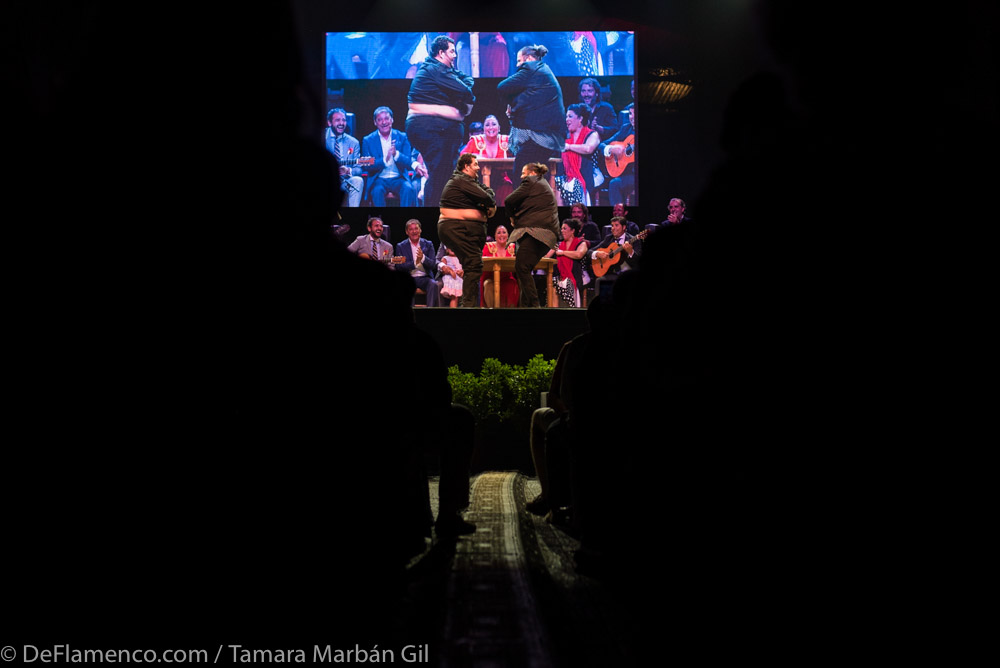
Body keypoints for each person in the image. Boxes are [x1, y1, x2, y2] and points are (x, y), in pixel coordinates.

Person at [407, 35, 477, 208]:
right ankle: (433, 212)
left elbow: (468, 81)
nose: (455, 55)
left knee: (446, 175)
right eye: (452, 52)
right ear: (441, 53)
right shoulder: (435, 69)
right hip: (428, 129)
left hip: (441, 132)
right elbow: (465, 90)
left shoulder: (445, 71)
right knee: (438, 175)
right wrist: (463, 106)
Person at [497, 44, 566, 182]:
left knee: (521, 175)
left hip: (539, 137)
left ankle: (524, 203)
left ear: (528, 58)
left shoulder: (531, 67)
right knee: (535, 177)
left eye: (518, 61)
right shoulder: (543, 71)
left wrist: (511, 105)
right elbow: (531, 99)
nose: (517, 66)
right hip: (547, 137)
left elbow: (502, 87)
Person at [438, 153, 497, 307]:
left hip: (463, 229)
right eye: (475, 164)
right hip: (455, 228)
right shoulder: (460, 180)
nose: (478, 168)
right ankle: (468, 308)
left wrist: (486, 201)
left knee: (472, 266)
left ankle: (469, 305)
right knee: (474, 264)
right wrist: (486, 205)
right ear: (466, 166)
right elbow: (488, 198)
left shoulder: (471, 182)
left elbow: (488, 192)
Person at [505, 162, 560, 307]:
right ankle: (525, 307)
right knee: (524, 269)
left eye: (523, 173)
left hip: (537, 232)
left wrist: (512, 218)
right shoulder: (542, 185)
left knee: (521, 267)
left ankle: (535, 306)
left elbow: (509, 200)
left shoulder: (532, 181)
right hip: (546, 234)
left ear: (532, 173)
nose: (521, 176)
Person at [361, 106, 424, 206]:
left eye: (386, 118)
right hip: (379, 179)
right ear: (375, 122)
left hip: (398, 178)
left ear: (392, 120)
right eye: (380, 120)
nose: (384, 122)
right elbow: (365, 165)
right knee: (377, 191)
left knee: (408, 188)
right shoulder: (368, 140)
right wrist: (384, 160)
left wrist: (396, 154)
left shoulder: (402, 137)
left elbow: (408, 161)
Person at [460, 114, 514, 205]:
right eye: (487, 125)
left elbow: (519, 155)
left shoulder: (506, 141)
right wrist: (477, 156)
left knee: (508, 194)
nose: (490, 127)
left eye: (493, 124)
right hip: (478, 181)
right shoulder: (476, 141)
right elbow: (462, 156)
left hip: (501, 181)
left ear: (499, 128)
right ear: (484, 129)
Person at [555, 103, 600, 206]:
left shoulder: (592, 134)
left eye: (570, 116)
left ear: (580, 119)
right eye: (566, 116)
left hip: (586, 175)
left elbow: (588, 148)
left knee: (575, 184)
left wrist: (569, 147)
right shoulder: (565, 136)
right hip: (565, 176)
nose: (566, 119)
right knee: (557, 181)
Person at [590, 215, 641, 295]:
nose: (613, 228)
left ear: (624, 227)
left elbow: (638, 261)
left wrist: (630, 252)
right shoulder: (608, 238)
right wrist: (597, 253)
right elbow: (590, 251)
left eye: (616, 225)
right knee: (599, 280)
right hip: (611, 273)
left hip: (627, 274)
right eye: (612, 226)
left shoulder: (634, 240)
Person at [324, 108, 365, 208]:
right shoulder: (321, 137)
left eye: (344, 120)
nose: (342, 123)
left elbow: (358, 168)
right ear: (329, 123)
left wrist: (348, 170)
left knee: (358, 180)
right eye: (338, 120)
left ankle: (352, 214)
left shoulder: (353, 142)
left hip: (344, 181)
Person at [395, 219, 441, 307]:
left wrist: (423, 258)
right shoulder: (401, 246)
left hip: (425, 278)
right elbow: (399, 267)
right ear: (407, 232)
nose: (414, 231)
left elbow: (432, 264)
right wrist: (415, 263)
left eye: (416, 229)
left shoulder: (428, 244)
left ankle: (430, 312)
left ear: (420, 230)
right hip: (409, 278)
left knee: (433, 284)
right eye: (411, 229)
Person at [546, 218, 590, 307]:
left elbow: (579, 254)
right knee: (553, 281)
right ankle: (553, 312)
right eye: (561, 228)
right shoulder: (558, 244)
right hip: (560, 276)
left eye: (564, 228)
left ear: (572, 231)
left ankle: (571, 310)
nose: (562, 231)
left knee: (568, 283)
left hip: (576, 276)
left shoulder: (581, 243)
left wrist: (563, 252)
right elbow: (546, 257)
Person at [599, 103, 636, 206]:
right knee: (614, 183)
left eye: (635, 114)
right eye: (630, 114)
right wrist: (611, 148)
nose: (632, 117)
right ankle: (617, 215)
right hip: (626, 174)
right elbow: (601, 145)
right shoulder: (625, 128)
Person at [481, 224, 519, 308]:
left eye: (504, 232)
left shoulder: (513, 247)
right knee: (488, 284)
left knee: (513, 284)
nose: (501, 235)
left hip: (507, 278)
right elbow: (482, 263)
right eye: (498, 233)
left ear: (508, 235)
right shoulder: (487, 247)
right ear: (495, 236)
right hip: (490, 278)